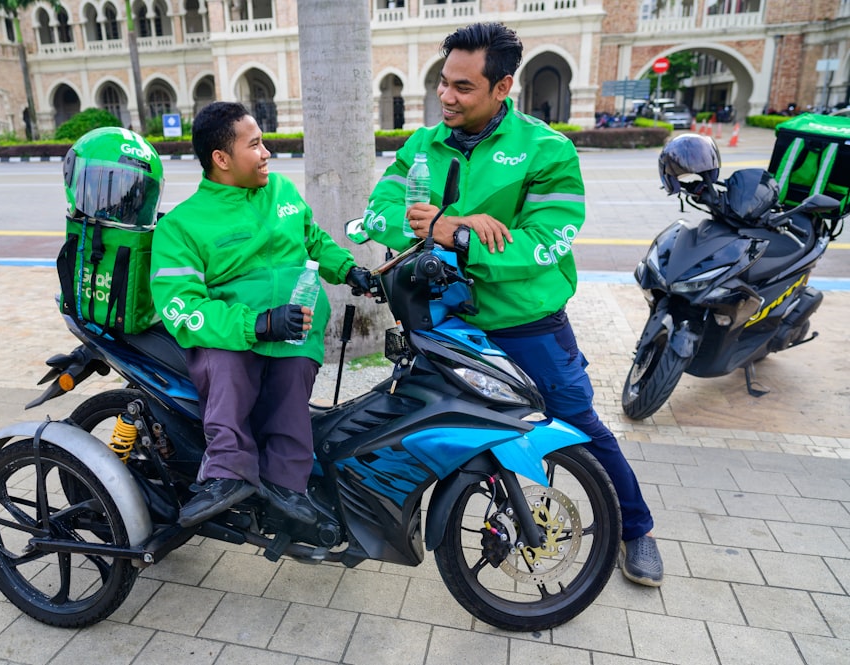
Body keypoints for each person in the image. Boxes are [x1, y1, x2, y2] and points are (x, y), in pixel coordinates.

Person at [363, 22, 664, 587]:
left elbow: (543, 243)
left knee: (578, 425)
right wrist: (452, 226)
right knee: (427, 419)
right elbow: (377, 214)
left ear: (503, 87)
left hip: (529, 325)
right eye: (443, 83)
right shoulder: (422, 145)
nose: (445, 97)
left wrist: (455, 236)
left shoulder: (547, 151)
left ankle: (635, 529)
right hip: (444, 321)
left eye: (463, 88)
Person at [151, 101, 370, 527]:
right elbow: (182, 307)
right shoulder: (181, 226)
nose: (266, 151)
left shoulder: (283, 192)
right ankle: (226, 474)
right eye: (254, 144)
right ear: (222, 159)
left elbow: (314, 240)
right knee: (229, 373)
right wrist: (257, 324)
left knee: (291, 392)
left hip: (295, 323)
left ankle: (287, 485)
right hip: (232, 330)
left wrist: (350, 270)